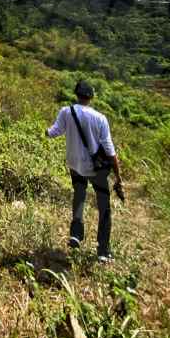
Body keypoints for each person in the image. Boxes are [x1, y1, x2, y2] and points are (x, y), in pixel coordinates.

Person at [45, 80, 123, 263]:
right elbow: (110, 150)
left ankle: (76, 234)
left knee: (79, 194)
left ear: (76, 94)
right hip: (96, 170)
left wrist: (46, 133)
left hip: (75, 165)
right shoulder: (100, 118)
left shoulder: (66, 111)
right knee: (104, 206)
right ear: (91, 97)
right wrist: (118, 176)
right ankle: (103, 251)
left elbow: (55, 131)